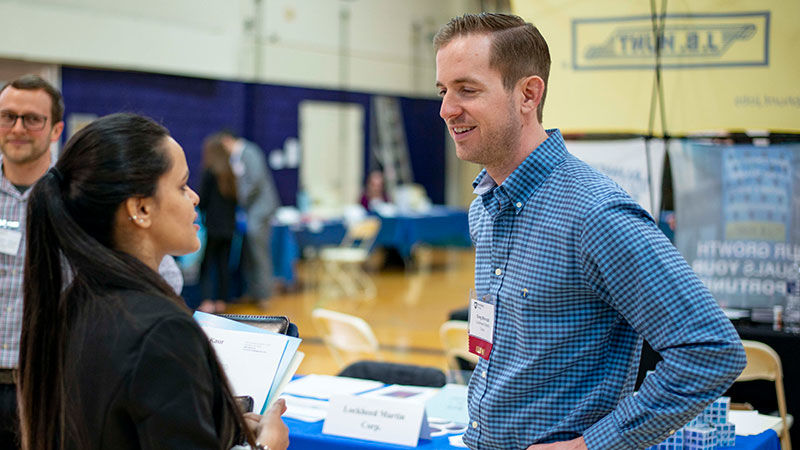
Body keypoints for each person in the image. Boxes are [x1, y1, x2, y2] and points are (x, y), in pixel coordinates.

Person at [433, 13, 746, 449]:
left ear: (528, 94)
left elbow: (710, 350)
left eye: (467, 90)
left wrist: (592, 445)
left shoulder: (594, 214)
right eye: (443, 91)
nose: (447, 109)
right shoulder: (484, 207)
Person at [18, 113, 289, 449]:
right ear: (141, 209)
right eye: (181, 186)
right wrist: (267, 447)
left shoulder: (76, 299)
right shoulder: (161, 329)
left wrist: (216, 423)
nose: (194, 198)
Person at [217, 131, 280, 305]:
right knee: (249, 254)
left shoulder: (249, 151)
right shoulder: (238, 156)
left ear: (227, 140)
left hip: (261, 209)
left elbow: (255, 180)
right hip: (251, 210)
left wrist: (237, 196)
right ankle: (253, 291)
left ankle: (265, 295)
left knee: (259, 252)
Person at [197, 135, 239, 313]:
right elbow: (236, 200)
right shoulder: (231, 173)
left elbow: (203, 200)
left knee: (206, 265)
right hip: (229, 228)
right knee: (223, 265)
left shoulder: (210, 173)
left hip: (213, 227)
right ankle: (222, 301)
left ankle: (206, 301)